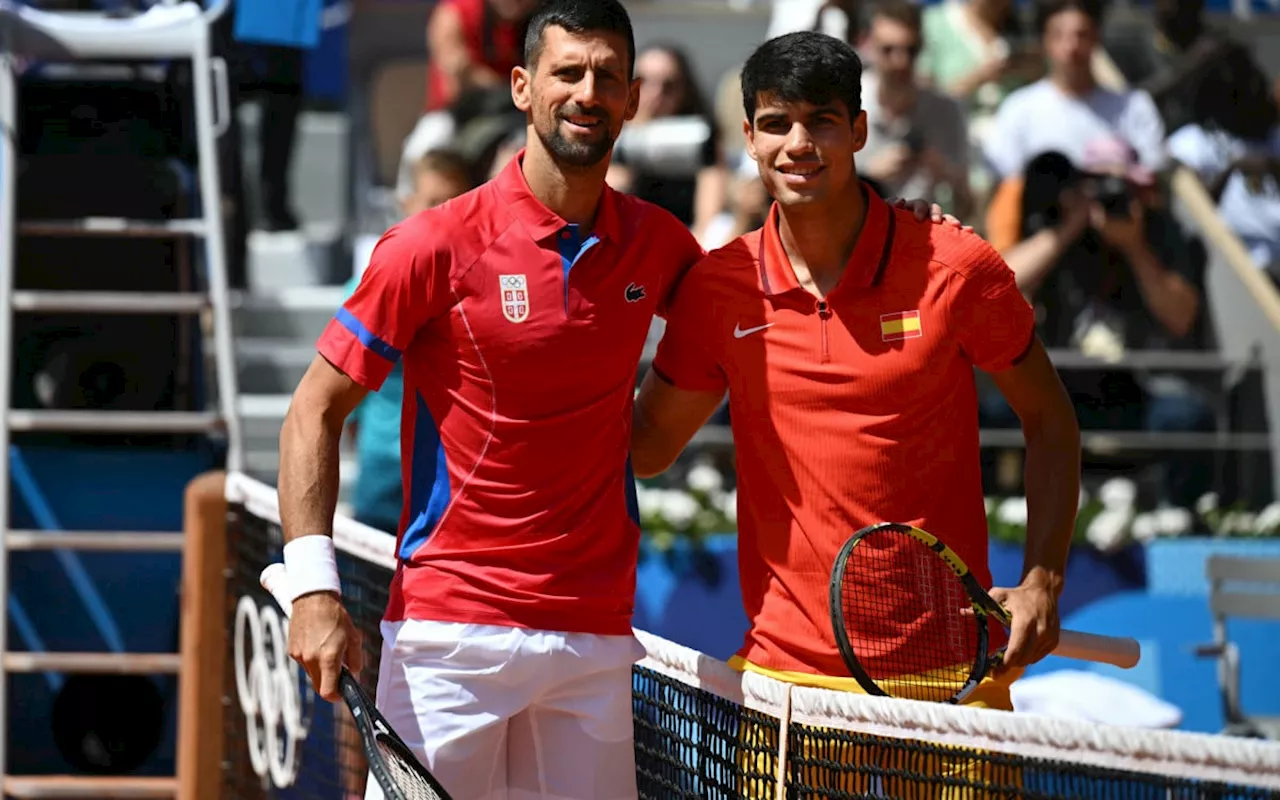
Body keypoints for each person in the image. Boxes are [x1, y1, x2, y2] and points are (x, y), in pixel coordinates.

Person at [630, 28, 1080, 729]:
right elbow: (647, 449)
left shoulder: (957, 266)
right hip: (782, 688)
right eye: (776, 123)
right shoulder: (719, 289)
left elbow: (1050, 422)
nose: (798, 144)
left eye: (823, 122)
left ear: (860, 129)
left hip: (952, 683)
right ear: (748, 137)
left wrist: (1043, 580)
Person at [981, 0, 1167, 184]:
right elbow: (1004, 183)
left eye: (1081, 35)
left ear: (1096, 38)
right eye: (1059, 36)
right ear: (1045, 42)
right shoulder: (1018, 109)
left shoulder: (1134, 106)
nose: (1071, 47)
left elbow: (1154, 174)